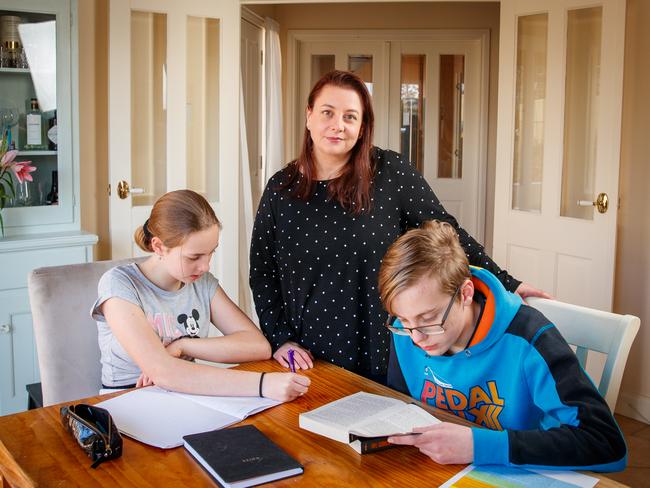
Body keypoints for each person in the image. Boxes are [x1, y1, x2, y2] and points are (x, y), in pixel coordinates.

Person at [250, 70, 549, 382]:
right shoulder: (280, 189)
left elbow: (446, 232)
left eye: (351, 117)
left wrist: (506, 282)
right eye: (328, 112)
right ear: (309, 116)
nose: (338, 125)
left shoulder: (389, 172)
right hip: (308, 358)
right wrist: (280, 338)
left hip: (386, 348)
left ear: (363, 126)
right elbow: (262, 272)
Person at [378, 220, 626, 470]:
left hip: (522, 472)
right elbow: (401, 407)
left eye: (429, 319)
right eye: (404, 320)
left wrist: (479, 446)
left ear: (465, 294)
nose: (416, 338)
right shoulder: (405, 331)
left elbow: (606, 443)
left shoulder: (530, 338)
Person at [91, 189, 309, 402]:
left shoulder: (200, 282)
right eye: (194, 257)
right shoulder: (119, 284)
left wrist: (183, 345)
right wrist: (263, 385)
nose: (205, 266)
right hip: (128, 399)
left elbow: (258, 346)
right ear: (158, 246)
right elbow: (162, 372)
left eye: (210, 252)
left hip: (185, 396)